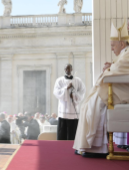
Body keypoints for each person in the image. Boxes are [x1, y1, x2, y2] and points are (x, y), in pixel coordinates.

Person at [73, 21, 129, 158]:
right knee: (91, 103)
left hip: (123, 91)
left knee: (94, 104)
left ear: (122, 44)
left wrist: (109, 68)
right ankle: (93, 145)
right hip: (120, 88)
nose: (111, 49)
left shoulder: (127, 52)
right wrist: (111, 66)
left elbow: (119, 68)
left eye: (113, 45)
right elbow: (119, 66)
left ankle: (94, 147)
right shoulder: (125, 52)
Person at [53, 64, 86, 140]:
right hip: (63, 109)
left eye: (69, 68)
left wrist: (74, 95)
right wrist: (66, 88)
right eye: (66, 69)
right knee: (62, 131)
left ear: (72, 69)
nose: (67, 70)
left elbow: (82, 92)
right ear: (64, 70)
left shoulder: (78, 80)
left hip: (74, 110)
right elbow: (56, 92)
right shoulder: (59, 80)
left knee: (73, 131)